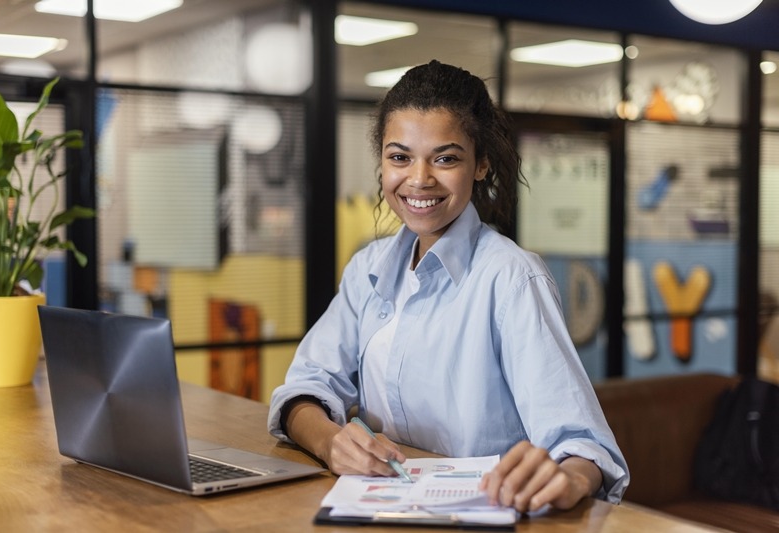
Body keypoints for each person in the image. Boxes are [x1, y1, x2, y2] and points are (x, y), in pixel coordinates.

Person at [268, 59, 629, 513]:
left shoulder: (512, 278)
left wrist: (566, 476)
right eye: (400, 157)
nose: (419, 179)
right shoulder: (368, 269)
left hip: (485, 515)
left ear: (480, 165)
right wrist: (331, 442)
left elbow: (583, 446)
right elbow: (303, 388)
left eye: (445, 158)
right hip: (382, 507)